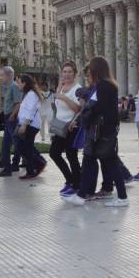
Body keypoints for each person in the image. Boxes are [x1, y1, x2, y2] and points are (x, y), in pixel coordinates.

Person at [66, 57, 128, 207]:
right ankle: (81, 195)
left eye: (90, 71)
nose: (88, 74)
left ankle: (122, 197)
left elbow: (95, 108)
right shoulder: (105, 85)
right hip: (99, 132)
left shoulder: (104, 87)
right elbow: (92, 104)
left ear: (96, 70)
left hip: (102, 132)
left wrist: (82, 116)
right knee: (89, 161)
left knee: (111, 164)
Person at [50, 61, 81, 196]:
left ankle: (77, 185)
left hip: (71, 127)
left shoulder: (77, 89)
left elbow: (78, 108)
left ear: (74, 74)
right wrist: (58, 93)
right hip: (59, 126)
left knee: (71, 156)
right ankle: (70, 180)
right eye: (65, 72)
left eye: (70, 72)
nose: (67, 74)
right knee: (54, 153)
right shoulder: (61, 87)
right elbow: (55, 105)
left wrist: (63, 98)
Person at [15, 74, 46, 180]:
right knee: (25, 147)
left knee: (25, 147)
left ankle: (34, 168)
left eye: (19, 82)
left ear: (24, 83)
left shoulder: (31, 94)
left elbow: (30, 111)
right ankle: (38, 164)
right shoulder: (28, 93)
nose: (17, 84)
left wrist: (24, 125)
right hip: (28, 124)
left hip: (30, 125)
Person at [0, 67, 22, 177]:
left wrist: (12, 115)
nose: (1, 78)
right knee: (6, 144)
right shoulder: (8, 87)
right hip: (8, 118)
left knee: (16, 143)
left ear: (9, 75)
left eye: (2, 75)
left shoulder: (14, 86)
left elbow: (17, 103)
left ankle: (34, 161)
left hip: (12, 119)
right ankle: (8, 167)